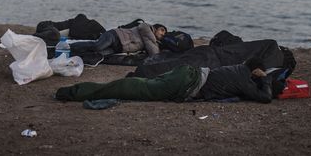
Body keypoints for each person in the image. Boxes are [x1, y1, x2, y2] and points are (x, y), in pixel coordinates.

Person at [54, 57, 273, 103]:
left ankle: (75, 91)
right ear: (256, 72)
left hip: (188, 71)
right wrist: (266, 80)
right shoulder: (246, 80)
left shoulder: (236, 67)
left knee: (136, 85)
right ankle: (71, 93)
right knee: (129, 88)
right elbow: (265, 98)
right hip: (185, 83)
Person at [69, 22, 167, 57]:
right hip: (115, 35)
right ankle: (68, 47)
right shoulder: (146, 27)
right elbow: (154, 52)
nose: (162, 33)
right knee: (97, 46)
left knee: (97, 54)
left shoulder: (151, 41)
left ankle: (72, 54)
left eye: (164, 34)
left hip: (118, 48)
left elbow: (153, 52)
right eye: (162, 30)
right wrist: (157, 45)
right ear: (156, 27)